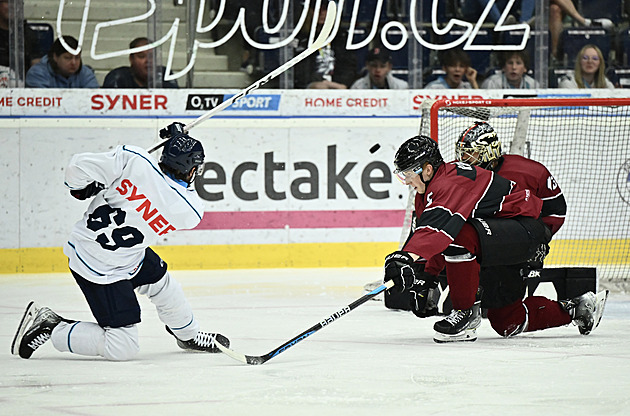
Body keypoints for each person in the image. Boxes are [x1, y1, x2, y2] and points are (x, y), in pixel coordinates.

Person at [11, 123, 230, 361]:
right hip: (100, 268)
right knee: (122, 347)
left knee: (165, 287)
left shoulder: (132, 159)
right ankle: (52, 326)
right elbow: (171, 191)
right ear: (191, 170)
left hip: (119, 251)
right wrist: (177, 140)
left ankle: (189, 335)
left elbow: (76, 167)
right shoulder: (190, 210)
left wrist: (81, 189)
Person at [383, 135, 549, 342]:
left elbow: (440, 231)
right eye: (403, 175)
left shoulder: (450, 183)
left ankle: (466, 313)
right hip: (498, 236)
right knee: (506, 320)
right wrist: (428, 277)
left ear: (427, 169)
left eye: (409, 174)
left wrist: (405, 258)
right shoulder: (427, 191)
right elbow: (434, 233)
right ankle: (577, 308)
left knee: (459, 236)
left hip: (524, 232)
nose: (406, 181)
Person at [453, 121, 607, 337]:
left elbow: (556, 210)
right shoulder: (458, 173)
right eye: (462, 155)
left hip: (511, 247)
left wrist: (539, 238)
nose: (464, 161)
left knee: (507, 322)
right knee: (454, 252)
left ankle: (577, 308)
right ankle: (466, 312)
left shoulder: (530, 171)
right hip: (479, 242)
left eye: (471, 155)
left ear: (489, 152)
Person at [293, 1, 357, 89]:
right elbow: (299, 69)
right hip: (309, 90)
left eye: (324, 9)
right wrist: (310, 84)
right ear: (310, 11)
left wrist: (343, 84)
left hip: (338, 87)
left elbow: (349, 65)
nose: (321, 13)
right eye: (317, 9)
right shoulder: (302, 38)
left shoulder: (342, 37)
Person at [103, 37, 178, 88]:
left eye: (151, 56)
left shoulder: (164, 74)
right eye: (141, 56)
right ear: (131, 59)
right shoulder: (118, 77)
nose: (148, 61)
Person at [26, 35, 99, 88]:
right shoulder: (37, 74)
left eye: (77, 58)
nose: (73, 62)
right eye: (68, 58)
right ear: (55, 57)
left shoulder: (86, 74)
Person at [0, 0, 42, 87]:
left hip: (23, 91)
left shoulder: (29, 35)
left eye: (16, 3)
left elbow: (37, 71)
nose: (12, 6)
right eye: (7, 2)